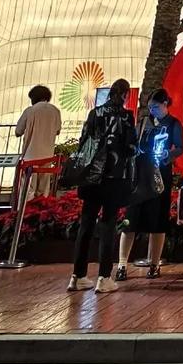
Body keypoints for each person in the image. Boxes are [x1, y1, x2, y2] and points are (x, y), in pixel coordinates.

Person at [68, 79, 136, 294]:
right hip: (113, 177)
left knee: (86, 224)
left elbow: (84, 140)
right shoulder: (125, 117)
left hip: (91, 176)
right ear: (125, 94)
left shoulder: (95, 113)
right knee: (108, 224)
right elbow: (131, 147)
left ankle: (77, 276)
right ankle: (104, 277)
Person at [115, 88, 183, 280]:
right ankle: (122, 264)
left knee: (158, 221)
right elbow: (132, 143)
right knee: (130, 220)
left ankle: (154, 264)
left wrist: (168, 155)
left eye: (155, 107)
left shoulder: (173, 124)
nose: (152, 110)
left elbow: (181, 147)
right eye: (150, 107)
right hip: (139, 176)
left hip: (160, 176)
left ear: (165, 104)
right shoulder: (144, 122)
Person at [15, 85, 63, 196]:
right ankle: (42, 206)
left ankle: (27, 207)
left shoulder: (30, 111)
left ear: (33, 98)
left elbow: (18, 131)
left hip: (30, 157)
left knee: (28, 190)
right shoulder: (55, 111)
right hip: (48, 156)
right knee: (43, 190)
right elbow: (57, 131)